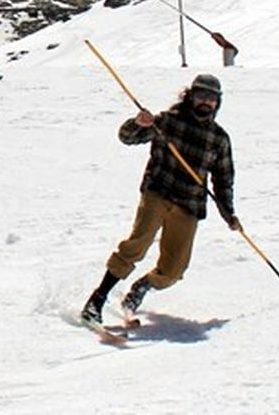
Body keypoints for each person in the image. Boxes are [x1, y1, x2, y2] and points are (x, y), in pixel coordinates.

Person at [81, 74, 240, 325]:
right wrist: (139, 123)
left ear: (218, 103)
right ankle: (96, 301)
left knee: (174, 270)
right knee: (136, 246)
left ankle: (141, 288)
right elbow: (127, 137)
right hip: (158, 192)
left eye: (211, 99)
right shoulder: (166, 121)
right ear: (190, 96)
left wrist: (229, 214)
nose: (206, 102)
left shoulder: (219, 138)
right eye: (201, 96)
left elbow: (223, 179)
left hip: (189, 204)